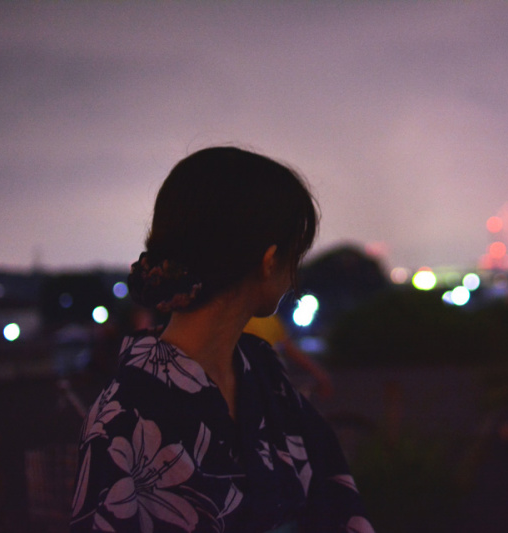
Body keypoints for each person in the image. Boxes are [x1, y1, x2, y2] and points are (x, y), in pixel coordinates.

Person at [70, 147, 373, 533]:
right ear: (269, 260)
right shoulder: (126, 413)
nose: (294, 276)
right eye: (295, 255)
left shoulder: (262, 373)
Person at [244, 314, 334, 400]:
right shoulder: (243, 318)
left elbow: (288, 346)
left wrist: (319, 374)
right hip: (257, 388)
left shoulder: (268, 315)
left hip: (274, 385)